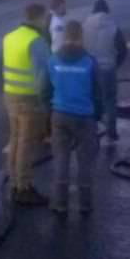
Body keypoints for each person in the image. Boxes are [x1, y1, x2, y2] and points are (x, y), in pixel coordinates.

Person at [46, 21, 103, 214]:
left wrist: (50, 110)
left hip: (60, 115)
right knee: (84, 161)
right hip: (85, 117)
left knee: (61, 159)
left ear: (65, 36)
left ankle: (60, 204)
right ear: (80, 36)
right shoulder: (89, 61)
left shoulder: (53, 60)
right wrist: (98, 114)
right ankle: (85, 205)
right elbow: (98, 91)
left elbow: (43, 89)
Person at [2, 3, 52, 206]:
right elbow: (45, 73)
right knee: (26, 144)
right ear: (40, 17)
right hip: (29, 99)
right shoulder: (36, 41)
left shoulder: (10, 37)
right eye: (45, 17)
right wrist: (46, 101)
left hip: (10, 96)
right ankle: (24, 187)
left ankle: (14, 181)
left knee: (15, 140)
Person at [82, 0, 128, 146]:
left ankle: (92, 130)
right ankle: (111, 131)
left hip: (89, 69)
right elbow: (123, 49)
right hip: (108, 69)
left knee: (92, 100)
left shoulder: (84, 25)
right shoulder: (113, 26)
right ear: (107, 11)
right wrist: (116, 64)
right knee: (110, 100)